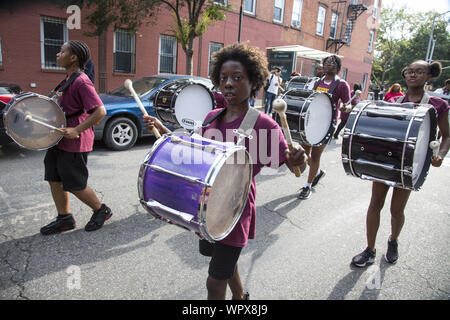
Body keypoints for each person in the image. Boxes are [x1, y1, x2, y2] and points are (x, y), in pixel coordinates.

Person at [143, 42, 306, 300]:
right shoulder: (211, 117)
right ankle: (241, 297)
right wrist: (162, 132)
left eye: (237, 78)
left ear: (254, 82)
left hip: (235, 210)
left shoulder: (263, 124)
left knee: (214, 281)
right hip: (207, 207)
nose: (228, 83)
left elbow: (296, 166)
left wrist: (300, 158)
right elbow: (193, 150)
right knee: (224, 263)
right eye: (223, 78)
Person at [351, 60, 450, 267]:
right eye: (409, 71)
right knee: (375, 204)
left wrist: (440, 154)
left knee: (396, 210)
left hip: (410, 165)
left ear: (429, 76)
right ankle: (370, 250)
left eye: (419, 72)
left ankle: (393, 241)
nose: (413, 75)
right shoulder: (394, 101)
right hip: (385, 160)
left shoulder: (437, 105)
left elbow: (447, 136)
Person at [40, 40, 112, 235]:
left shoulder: (81, 81)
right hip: (59, 138)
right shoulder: (67, 80)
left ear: (73, 58)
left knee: (75, 183)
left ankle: (101, 210)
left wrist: (77, 130)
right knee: (54, 177)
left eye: (62, 51)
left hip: (74, 140)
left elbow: (100, 111)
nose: (57, 54)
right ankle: (65, 218)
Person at [297, 55, 351, 200]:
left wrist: (346, 107)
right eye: (327, 62)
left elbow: (349, 104)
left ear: (338, 66)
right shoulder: (318, 82)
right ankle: (318, 172)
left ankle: (308, 185)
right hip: (312, 122)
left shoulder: (341, 84)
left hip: (327, 125)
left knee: (315, 155)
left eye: (333, 63)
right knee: (303, 153)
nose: (329, 65)